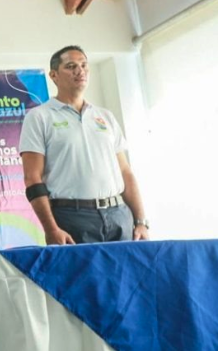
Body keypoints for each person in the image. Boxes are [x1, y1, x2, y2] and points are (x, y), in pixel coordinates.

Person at [20, 45, 149, 245]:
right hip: (71, 217)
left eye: (83, 65)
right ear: (54, 75)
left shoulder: (105, 116)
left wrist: (141, 222)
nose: (80, 71)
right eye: (71, 66)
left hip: (119, 215)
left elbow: (125, 171)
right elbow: (32, 178)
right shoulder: (39, 117)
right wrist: (51, 229)